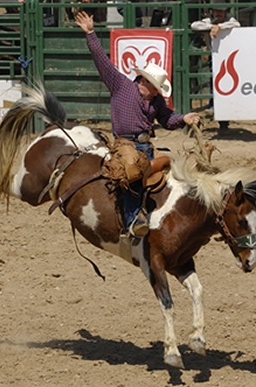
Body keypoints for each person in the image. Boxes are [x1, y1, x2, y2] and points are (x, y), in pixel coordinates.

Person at [75, 11, 200, 237]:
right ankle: (133, 221)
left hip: (146, 145)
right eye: (150, 84)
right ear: (142, 80)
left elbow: (168, 120)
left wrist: (185, 119)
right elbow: (102, 62)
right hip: (126, 146)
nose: (150, 88)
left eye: (153, 86)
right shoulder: (122, 86)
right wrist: (91, 34)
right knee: (133, 172)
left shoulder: (156, 100)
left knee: (173, 169)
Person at [191, 0, 240, 131]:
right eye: (217, 11)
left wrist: (220, 27)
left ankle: (220, 114)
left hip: (230, 56)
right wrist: (212, 27)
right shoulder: (208, 21)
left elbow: (236, 24)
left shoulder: (230, 20)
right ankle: (217, 111)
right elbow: (195, 26)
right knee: (217, 83)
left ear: (225, 12)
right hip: (217, 57)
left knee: (222, 84)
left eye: (222, 11)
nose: (219, 13)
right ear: (212, 11)